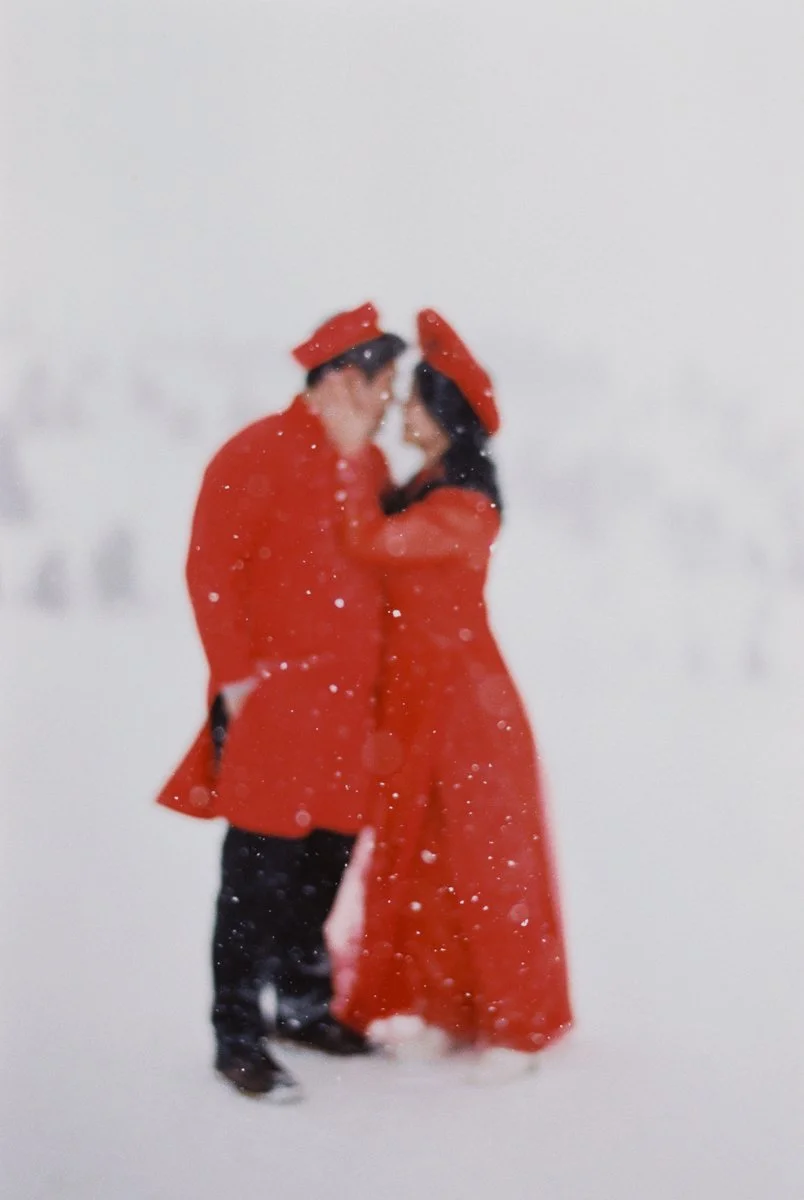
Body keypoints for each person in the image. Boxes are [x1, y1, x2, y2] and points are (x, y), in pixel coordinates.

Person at [156, 302, 407, 1100]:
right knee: (256, 874)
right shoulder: (254, 453)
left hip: (347, 717)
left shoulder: (370, 468)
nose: (387, 404)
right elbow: (210, 574)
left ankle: (301, 1006)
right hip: (273, 710)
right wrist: (238, 682)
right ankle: (236, 1031)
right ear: (339, 380)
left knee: (325, 863)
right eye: (381, 386)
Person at [325, 309, 573, 1081]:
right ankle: (440, 1005)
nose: (402, 414)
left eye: (414, 403)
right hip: (416, 698)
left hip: (465, 702)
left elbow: (370, 541)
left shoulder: (464, 504)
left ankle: (516, 1024)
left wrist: (349, 453)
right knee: (419, 860)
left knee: (483, 858)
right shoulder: (426, 484)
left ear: (447, 417)